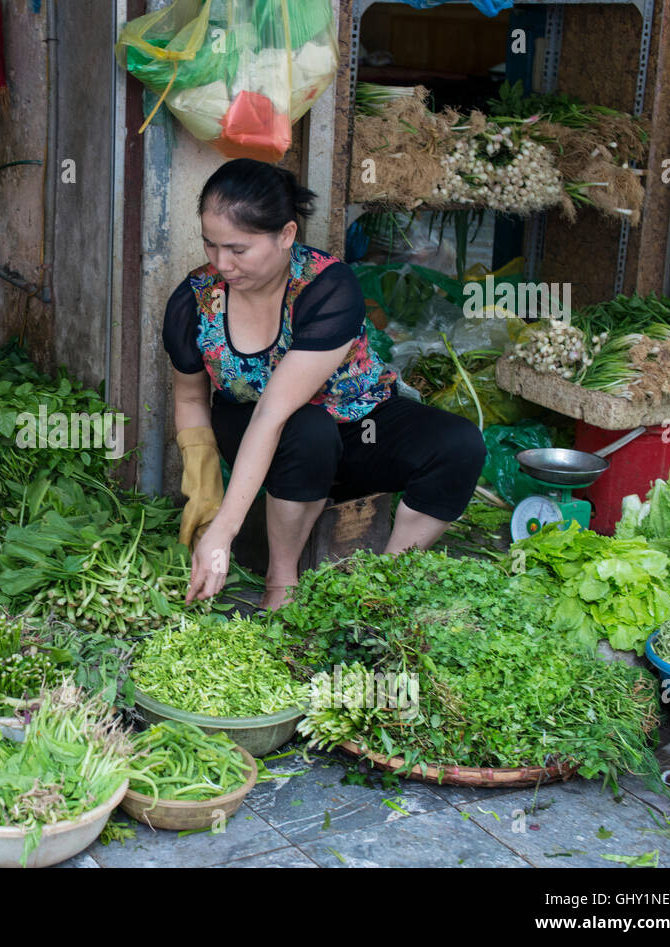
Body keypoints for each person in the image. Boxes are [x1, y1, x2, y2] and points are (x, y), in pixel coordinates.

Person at [164, 159, 486, 609]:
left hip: (356, 421)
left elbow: (276, 407)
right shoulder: (196, 300)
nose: (222, 263)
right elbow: (191, 395)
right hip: (265, 432)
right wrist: (202, 483)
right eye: (210, 245)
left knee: (459, 444)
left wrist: (224, 530)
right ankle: (281, 582)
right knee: (308, 429)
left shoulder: (325, 288)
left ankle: (386, 580)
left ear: (287, 235)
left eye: (238, 249)